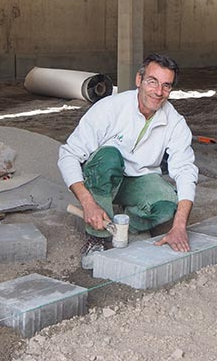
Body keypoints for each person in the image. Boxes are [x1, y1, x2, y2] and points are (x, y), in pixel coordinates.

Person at [58, 52, 198, 269]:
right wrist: (87, 203)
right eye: (152, 81)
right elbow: (68, 154)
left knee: (167, 204)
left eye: (166, 85)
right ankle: (96, 238)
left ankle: (124, 225)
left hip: (135, 182)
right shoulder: (110, 108)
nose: (158, 92)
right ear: (139, 80)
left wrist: (180, 226)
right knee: (109, 157)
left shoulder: (175, 122)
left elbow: (185, 169)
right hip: (101, 176)